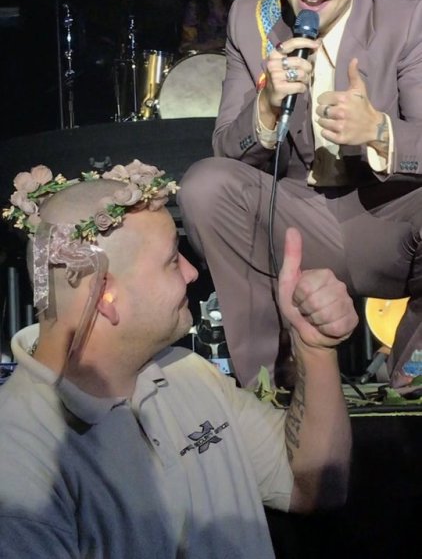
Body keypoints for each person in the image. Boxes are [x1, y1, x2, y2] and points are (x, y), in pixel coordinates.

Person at [0, 160, 357, 558]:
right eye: (173, 260)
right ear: (105, 298)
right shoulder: (17, 459)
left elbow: (311, 488)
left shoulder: (187, 373)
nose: (191, 272)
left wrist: (315, 347)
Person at [178, 0, 422, 391]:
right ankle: (265, 380)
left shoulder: (408, 20)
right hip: (298, 220)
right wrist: (265, 108)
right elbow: (225, 149)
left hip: (387, 219)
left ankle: (413, 366)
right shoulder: (253, 20)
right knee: (204, 183)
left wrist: (380, 131)